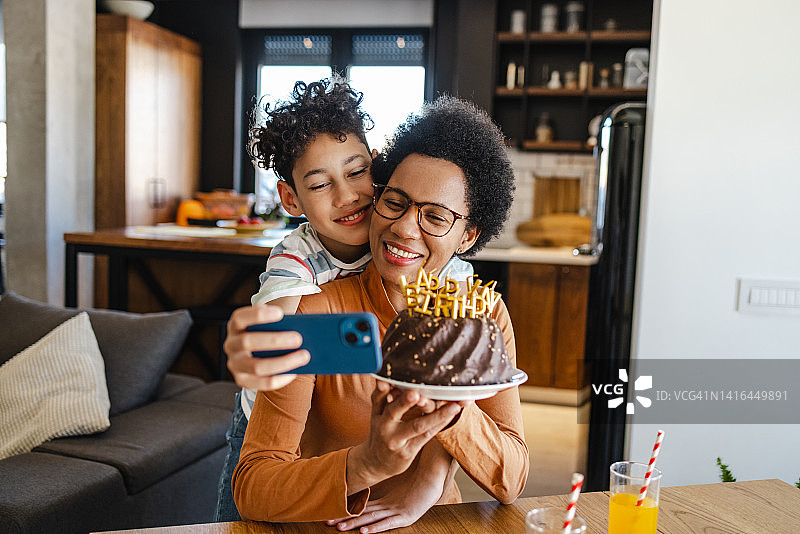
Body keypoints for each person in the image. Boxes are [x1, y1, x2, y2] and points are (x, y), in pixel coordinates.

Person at [231, 96, 527, 533]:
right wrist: (364, 466)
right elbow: (253, 487)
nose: (406, 228)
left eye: (437, 216)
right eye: (395, 202)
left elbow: (511, 478)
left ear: (467, 237)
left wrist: (451, 404)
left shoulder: (482, 312)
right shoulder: (311, 305)